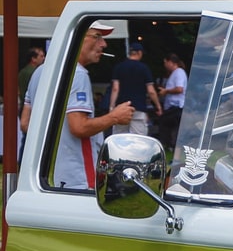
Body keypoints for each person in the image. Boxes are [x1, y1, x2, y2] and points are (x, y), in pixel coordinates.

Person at [53, 23, 134, 190]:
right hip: (77, 175)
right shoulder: (78, 74)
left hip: (47, 175)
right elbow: (79, 127)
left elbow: (25, 122)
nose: (103, 44)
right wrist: (114, 117)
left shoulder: (41, 71)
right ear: (76, 37)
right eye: (97, 36)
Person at [109, 40, 158, 136]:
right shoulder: (144, 68)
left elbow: (115, 89)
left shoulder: (119, 67)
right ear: (139, 53)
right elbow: (151, 91)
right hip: (138, 108)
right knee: (138, 139)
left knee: (119, 138)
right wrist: (158, 106)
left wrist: (112, 107)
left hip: (121, 108)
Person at [156, 51, 188, 148]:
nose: (165, 65)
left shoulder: (179, 72)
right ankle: (170, 146)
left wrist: (166, 91)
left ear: (170, 62)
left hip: (176, 106)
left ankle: (167, 145)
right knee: (168, 126)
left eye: (165, 62)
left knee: (165, 125)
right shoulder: (175, 73)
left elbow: (179, 89)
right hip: (173, 106)